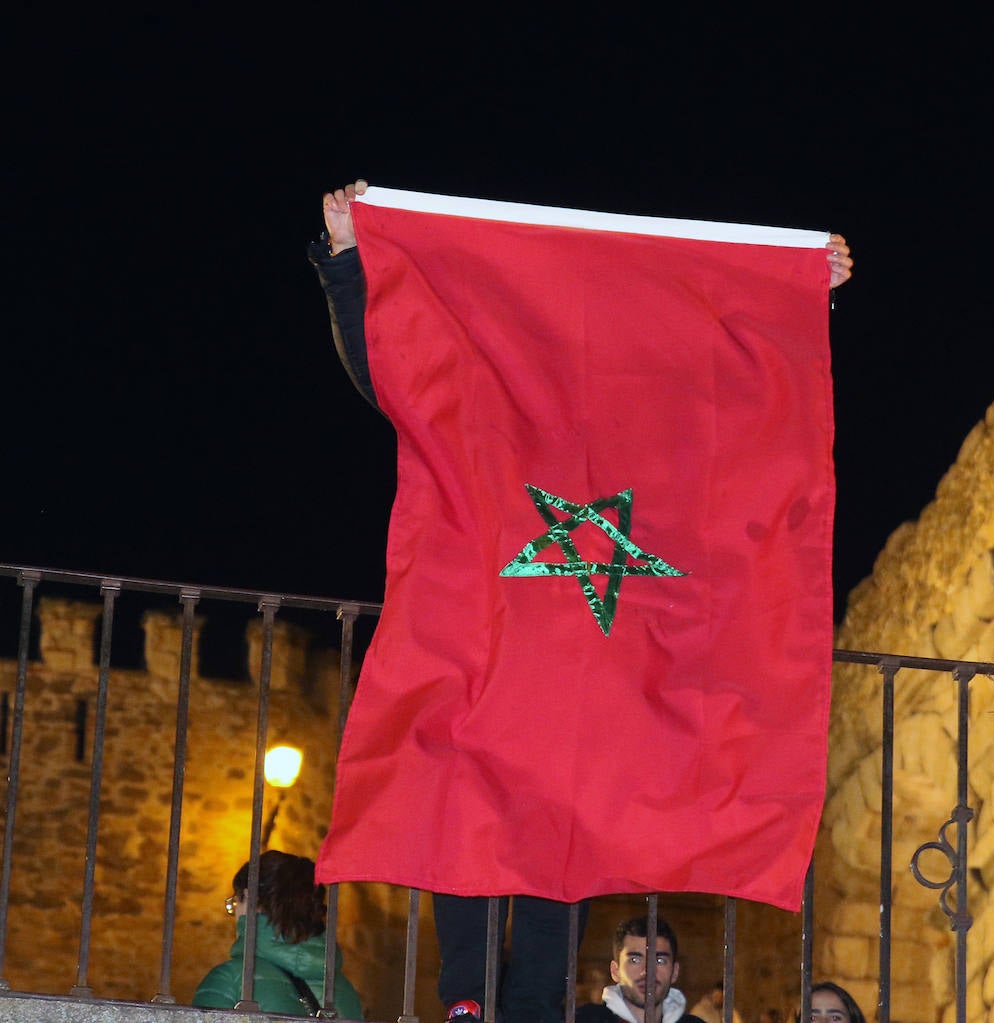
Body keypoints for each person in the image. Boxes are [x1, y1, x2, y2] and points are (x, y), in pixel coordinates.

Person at [309, 181, 853, 1023]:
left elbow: (733, 403)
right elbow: (404, 370)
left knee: (571, 839)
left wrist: (786, 292)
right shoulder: (487, 405)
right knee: (468, 820)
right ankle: (465, 1004)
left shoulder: (655, 422)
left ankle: (528, 1010)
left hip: (597, 679)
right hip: (494, 658)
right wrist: (351, 259)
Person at [192, 851, 364, 1018]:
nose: (235, 912)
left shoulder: (232, 981)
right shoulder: (345, 992)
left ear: (250, 897)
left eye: (235, 903)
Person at [575, 916, 707, 1023]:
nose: (647, 971)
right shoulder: (582, 1019)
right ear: (615, 971)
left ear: (675, 972)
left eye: (659, 961)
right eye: (634, 960)